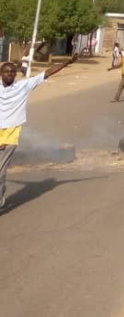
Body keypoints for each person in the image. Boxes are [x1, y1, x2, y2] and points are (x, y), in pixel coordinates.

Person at [1, 56, 79, 210]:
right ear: (0, 73)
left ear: (16, 74)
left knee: (0, 171)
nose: (9, 74)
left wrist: (67, 62)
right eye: (6, 72)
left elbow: (47, 72)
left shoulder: (23, 86)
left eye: (12, 72)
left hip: (10, 133)